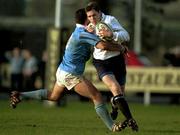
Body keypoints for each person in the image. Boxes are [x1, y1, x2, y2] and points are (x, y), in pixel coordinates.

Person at [10, 8, 128, 132]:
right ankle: (112, 126)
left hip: (63, 70)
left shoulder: (79, 31)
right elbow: (102, 45)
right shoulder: (82, 33)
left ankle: (20, 95)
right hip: (71, 74)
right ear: (87, 19)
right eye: (90, 16)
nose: (92, 18)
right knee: (97, 96)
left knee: (53, 96)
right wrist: (120, 48)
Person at [85, 2, 138, 131]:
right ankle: (130, 119)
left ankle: (114, 105)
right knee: (115, 88)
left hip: (117, 60)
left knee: (120, 94)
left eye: (94, 15)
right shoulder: (90, 27)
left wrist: (112, 34)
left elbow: (126, 36)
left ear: (99, 12)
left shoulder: (110, 20)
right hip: (101, 63)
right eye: (89, 16)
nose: (91, 19)